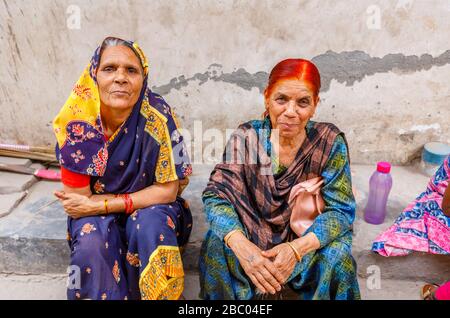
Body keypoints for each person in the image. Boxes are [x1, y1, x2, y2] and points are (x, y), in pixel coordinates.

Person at [199, 58, 360, 300]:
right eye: (281, 99)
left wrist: (296, 249)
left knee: (338, 256)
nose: (290, 112)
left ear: (315, 104)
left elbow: (340, 211)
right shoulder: (247, 137)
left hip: (303, 234)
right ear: (267, 98)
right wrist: (244, 248)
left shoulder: (328, 142)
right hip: (251, 231)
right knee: (216, 244)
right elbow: (216, 196)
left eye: (303, 102)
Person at [53, 37, 192, 300]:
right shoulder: (76, 122)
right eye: (109, 69)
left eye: (131, 70)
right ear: (94, 74)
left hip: (152, 208)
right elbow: (79, 201)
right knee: (92, 237)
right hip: (100, 213)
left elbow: (166, 191)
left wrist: (101, 204)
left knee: (150, 224)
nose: (120, 78)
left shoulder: (159, 117)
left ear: (143, 78)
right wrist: (97, 208)